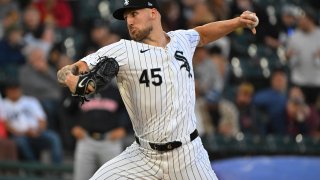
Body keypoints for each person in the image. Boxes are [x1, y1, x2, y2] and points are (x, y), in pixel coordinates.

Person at [57, 0, 258, 179]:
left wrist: (238, 22)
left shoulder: (181, 40)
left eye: (134, 14)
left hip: (188, 155)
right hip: (143, 156)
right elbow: (76, 68)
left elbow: (204, 33)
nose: (129, 22)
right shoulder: (123, 50)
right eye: (126, 17)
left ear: (153, 13)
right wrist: (70, 76)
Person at [71, 80, 130, 180]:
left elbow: (130, 110)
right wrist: (73, 126)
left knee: (114, 178)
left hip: (110, 140)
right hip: (85, 139)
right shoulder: (81, 90)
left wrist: (124, 128)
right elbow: (67, 110)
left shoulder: (116, 91)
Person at [1, 80, 62, 164]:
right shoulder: (3, 104)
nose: (14, 92)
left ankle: (57, 169)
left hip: (37, 132)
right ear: (7, 91)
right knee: (21, 142)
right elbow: (6, 124)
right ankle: (36, 169)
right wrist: (24, 132)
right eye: (11, 90)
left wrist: (38, 130)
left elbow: (42, 120)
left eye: (16, 89)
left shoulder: (30, 100)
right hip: (19, 135)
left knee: (54, 138)